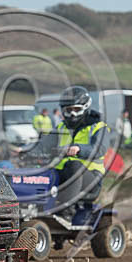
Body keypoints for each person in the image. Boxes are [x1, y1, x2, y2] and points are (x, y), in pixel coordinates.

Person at [53, 86, 109, 217]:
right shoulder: (60, 127)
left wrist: (79, 149)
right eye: (69, 110)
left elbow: (99, 149)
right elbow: (43, 145)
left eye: (76, 109)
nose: (72, 114)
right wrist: (22, 150)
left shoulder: (99, 127)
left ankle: (67, 210)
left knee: (74, 165)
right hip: (62, 175)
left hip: (90, 180)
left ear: (86, 107)